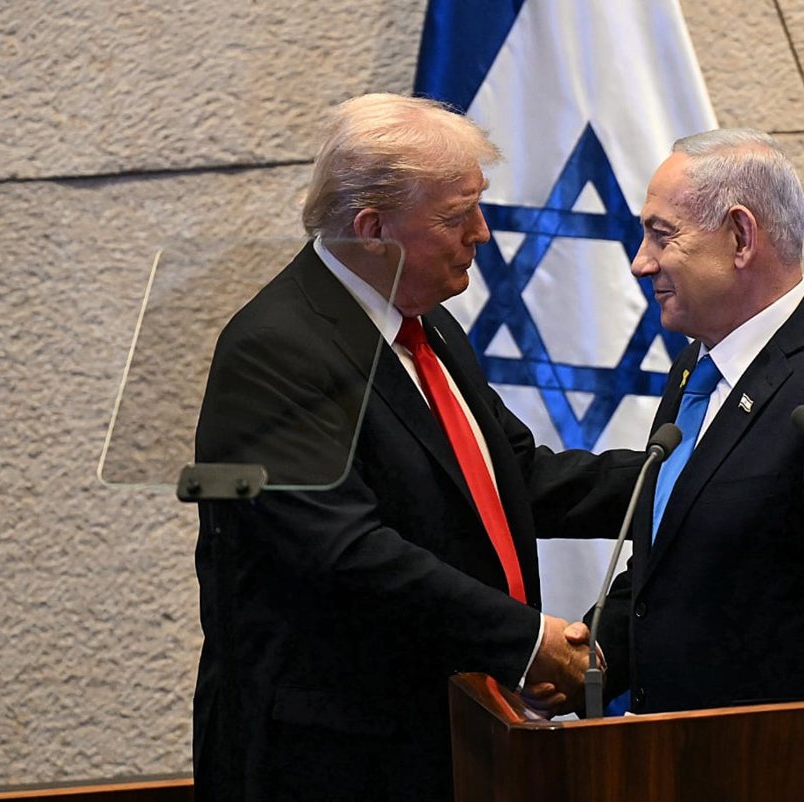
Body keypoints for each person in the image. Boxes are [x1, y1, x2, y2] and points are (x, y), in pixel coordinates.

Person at [191, 93, 642, 801]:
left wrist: (680, 478)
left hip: (450, 734)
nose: (483, 234)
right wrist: (526, 641)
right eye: (456, 215)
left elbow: (510, 478)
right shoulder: (276, 348)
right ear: (372, 228)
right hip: (336, 762)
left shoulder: (424, 323)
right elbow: (346, 552)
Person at [590, 129, 804, 714]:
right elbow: (671, 566)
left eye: (661, 235)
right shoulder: (695, 367)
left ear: (740, 237)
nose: (639, 263)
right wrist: (592, 657)